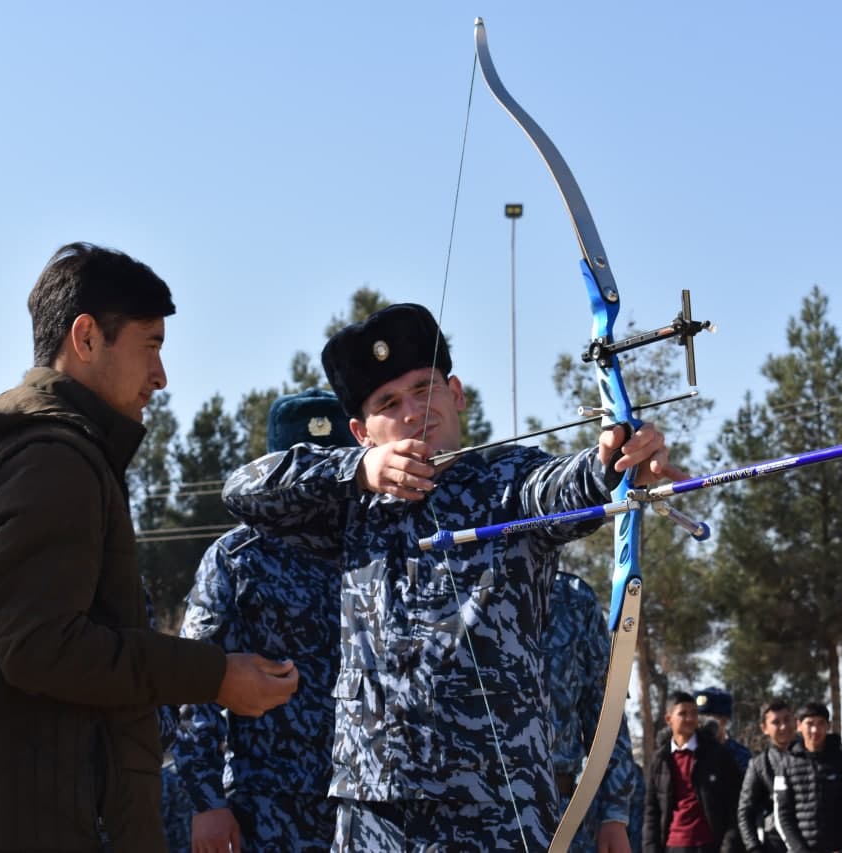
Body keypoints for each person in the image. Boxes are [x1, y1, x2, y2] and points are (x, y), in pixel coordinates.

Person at [0, 242, 299, 852]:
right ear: (87, 337)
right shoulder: (52, 459)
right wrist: (214, 676)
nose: (161, 376)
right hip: (18, 823)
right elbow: (40, 646)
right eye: (150, 345)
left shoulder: (17, 452)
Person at [221, 303, 678, 850]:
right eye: (389, 404)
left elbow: (567, 487)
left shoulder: (508, 481)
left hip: (498, 801)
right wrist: (359, 472)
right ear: (361, 432)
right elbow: (244, 490)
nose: (415, 411)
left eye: (426, 388)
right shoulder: (348, 508)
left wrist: (612, 463)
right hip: (376, 805)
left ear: (457, 393)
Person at [173, 388, 356, 852]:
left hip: (370, 804)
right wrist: (206, 802)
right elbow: (194, 684)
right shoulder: (237, 558)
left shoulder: (376, 545)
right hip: (269, 809)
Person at [547, 570, 637, 853]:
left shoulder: (572, 597)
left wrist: (614, 813)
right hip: (443, 815)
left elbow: (604, 713)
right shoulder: (432, 578)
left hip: (557, 817)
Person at [644, 690, 742, 853]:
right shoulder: (660, 760)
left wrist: (729, 846)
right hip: (673, 845)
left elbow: (736, 804)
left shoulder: (718, 755)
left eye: (694, 713)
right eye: (683, 714)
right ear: (669, 719)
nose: (690, 719)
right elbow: (651, 812)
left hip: (709, 845)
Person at [771, 701, 842, 853]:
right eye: (810, 724)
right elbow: (782, 814)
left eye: (821, 723)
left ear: (828, 726)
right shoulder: (785, 765)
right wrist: (799, 849)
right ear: (799, 725)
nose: (815, 730)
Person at [739, 698, 796, 853]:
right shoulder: (759, 765)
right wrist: (753, 847)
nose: (783, 726)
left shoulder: (811, 756)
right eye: (776, 722)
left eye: (787, 720)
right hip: (775, 844)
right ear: (764, 728)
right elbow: (745, 812)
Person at [698, 687, 752, 774]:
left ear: (725, 719)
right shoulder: (688, 752)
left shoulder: (740, 756)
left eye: (709, 718)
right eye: (699, 718)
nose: (702, 724)